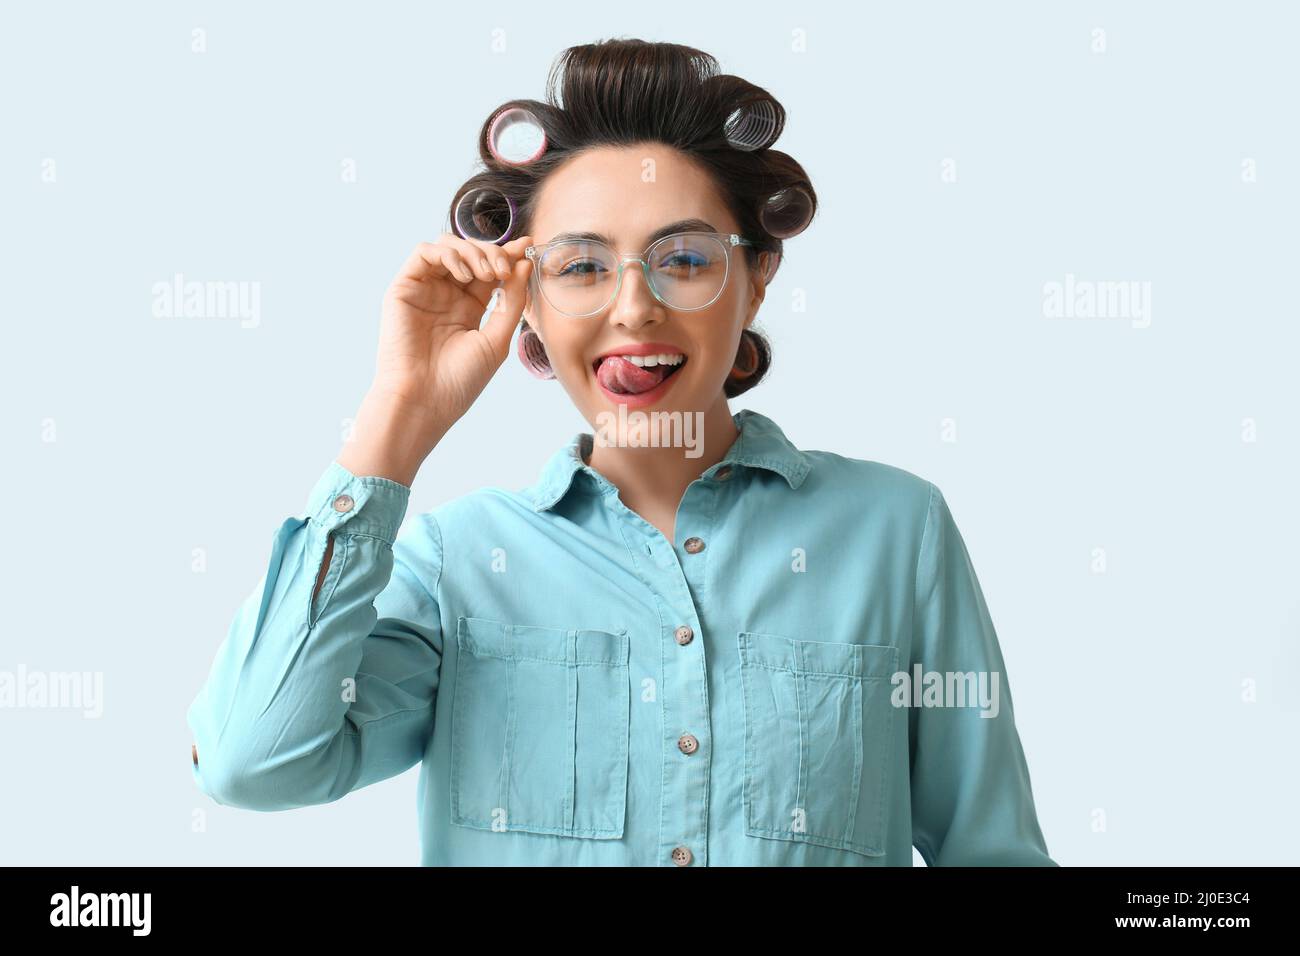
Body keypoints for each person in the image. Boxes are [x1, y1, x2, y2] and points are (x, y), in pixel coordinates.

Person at [186, 38, 1055, 867]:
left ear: (756, 279)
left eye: (683, 259)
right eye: (582, 267)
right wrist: (397, 418)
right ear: (526, 302)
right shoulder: (457, 564)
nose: (634, 309)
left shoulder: (896, 531)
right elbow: (252, 763)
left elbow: (991, 852)